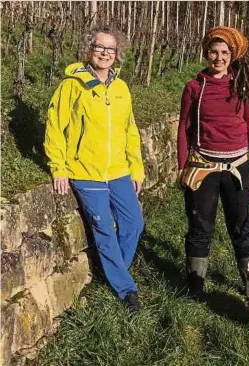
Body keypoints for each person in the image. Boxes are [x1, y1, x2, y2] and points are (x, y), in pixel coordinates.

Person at [44, 26, 144, 313]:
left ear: (117, 54)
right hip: (85, 172)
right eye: (99, 47)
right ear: (89, 49)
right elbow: (55, 127)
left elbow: (130, 130)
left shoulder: (121, 88)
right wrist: (58, 167)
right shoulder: (72, 85)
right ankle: (126, 291)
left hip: (119, 171)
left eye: (110, 49)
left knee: (134, 224)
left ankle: (114, 272)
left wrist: (136, 169)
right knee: (103, 229)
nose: (104, 53)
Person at [177, 26, 249, 298]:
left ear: (232, 55)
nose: (219, 58)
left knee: (243, 229)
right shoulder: (194, 87)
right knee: (200, 227)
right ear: (206, 53)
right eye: (214, 52)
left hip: (239, 167)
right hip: (203, 167)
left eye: (225, 52)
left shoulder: (241, 86)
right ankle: (195, 288)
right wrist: (182, 166)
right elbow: (184, 127)